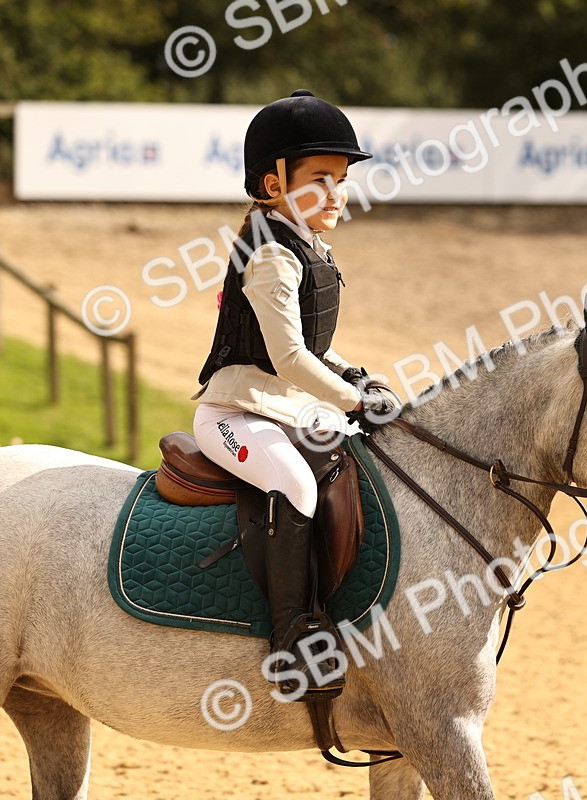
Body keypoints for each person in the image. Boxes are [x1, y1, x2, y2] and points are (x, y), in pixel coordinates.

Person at [191, 89, 394, 700]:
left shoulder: (307, 245)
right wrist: (353, 402)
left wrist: (358, 376)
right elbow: (289, 358)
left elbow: (316, 348)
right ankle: (293, 634)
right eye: (320, 179)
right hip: (235, 413)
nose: (337, 194)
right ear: (274, 184)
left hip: (279, 407)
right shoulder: (273, 253)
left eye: (342, 179)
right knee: (297, 485)